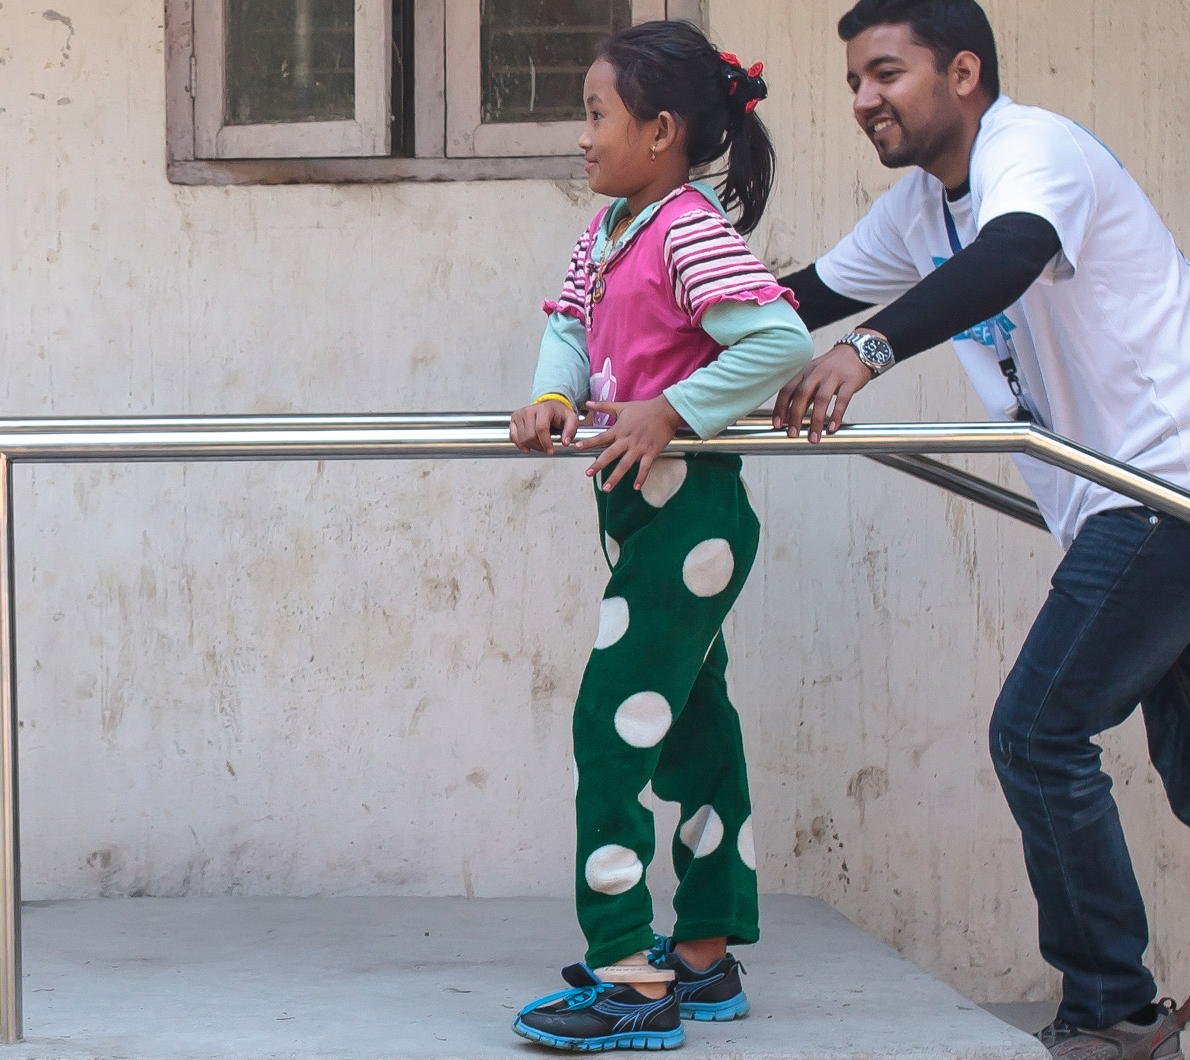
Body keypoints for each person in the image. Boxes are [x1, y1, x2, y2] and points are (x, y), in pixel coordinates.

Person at [767, 3, 1190, 1059]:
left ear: (962, 72)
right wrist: (653, 357)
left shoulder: (1032, 150)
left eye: (886, 74)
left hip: (1180, 487)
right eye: (854, 83)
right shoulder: (922, 208)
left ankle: (1109, 1004)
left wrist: (868, 353)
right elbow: (804, 297)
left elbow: (1010, 256)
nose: (864, 100)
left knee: (1038, 730)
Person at [500, 18, 814, 1053]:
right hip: (643, 514)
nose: (581, 135)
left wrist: (672, 406)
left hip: (692, 515)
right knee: (688, 724)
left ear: (663, 130)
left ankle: (629, 971)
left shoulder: (683, 227)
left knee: (610, 722)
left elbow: (775, 339)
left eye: (596, 114)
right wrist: (555, 391)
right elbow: (566, 318)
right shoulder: (612, 228)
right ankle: (706, 954)